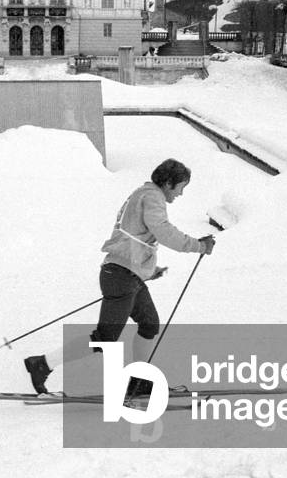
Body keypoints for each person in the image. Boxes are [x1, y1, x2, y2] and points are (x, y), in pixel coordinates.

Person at [24, 158, 215, 396]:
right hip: (121, 276)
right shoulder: (152, 197)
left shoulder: (144, 194)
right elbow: (164, 232)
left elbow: (134, 236)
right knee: (104, 339)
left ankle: (138, 380)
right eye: (181, 187)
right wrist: (198, 245)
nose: (181, 193)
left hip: (127, 275)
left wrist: (147, 270)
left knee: (149, 323)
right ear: (168, 183)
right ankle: (42, 364)